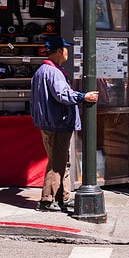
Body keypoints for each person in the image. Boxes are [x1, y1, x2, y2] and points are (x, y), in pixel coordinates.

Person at [29, 36, 99, 212]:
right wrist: (83, 96)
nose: (68, 51)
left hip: (48, 123)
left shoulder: (41, 71)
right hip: (57, 123)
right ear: (59, 51)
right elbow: (62, 95)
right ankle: (48, 199)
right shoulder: (53, 72)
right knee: (57, 162)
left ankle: (63, 195)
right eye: (66, 48)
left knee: (62, 161)